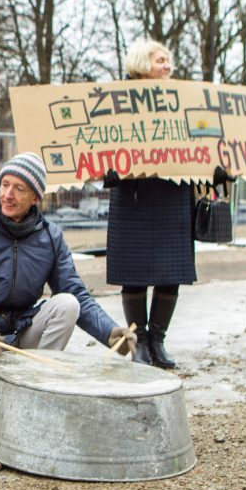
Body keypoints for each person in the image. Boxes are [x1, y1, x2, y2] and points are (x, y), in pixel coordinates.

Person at [0, 152, 137, 397]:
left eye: (19, 189)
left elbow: (74, 290)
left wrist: (110, 332)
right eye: (5, 185)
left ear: (35, 197)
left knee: (68, 303)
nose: (7, 195)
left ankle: (37, 385)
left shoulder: (50, 236)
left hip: (20, 332)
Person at [105, 39, 194, 369]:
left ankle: (158, 340)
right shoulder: (117, 102)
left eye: (168, 60)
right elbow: (103, 142)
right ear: (142, 64)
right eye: (160, 60)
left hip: (172, 192)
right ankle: (139, 340)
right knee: (135, 271)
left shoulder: (182, 100)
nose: (166, 66)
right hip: (134, 196)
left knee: (172, 270)